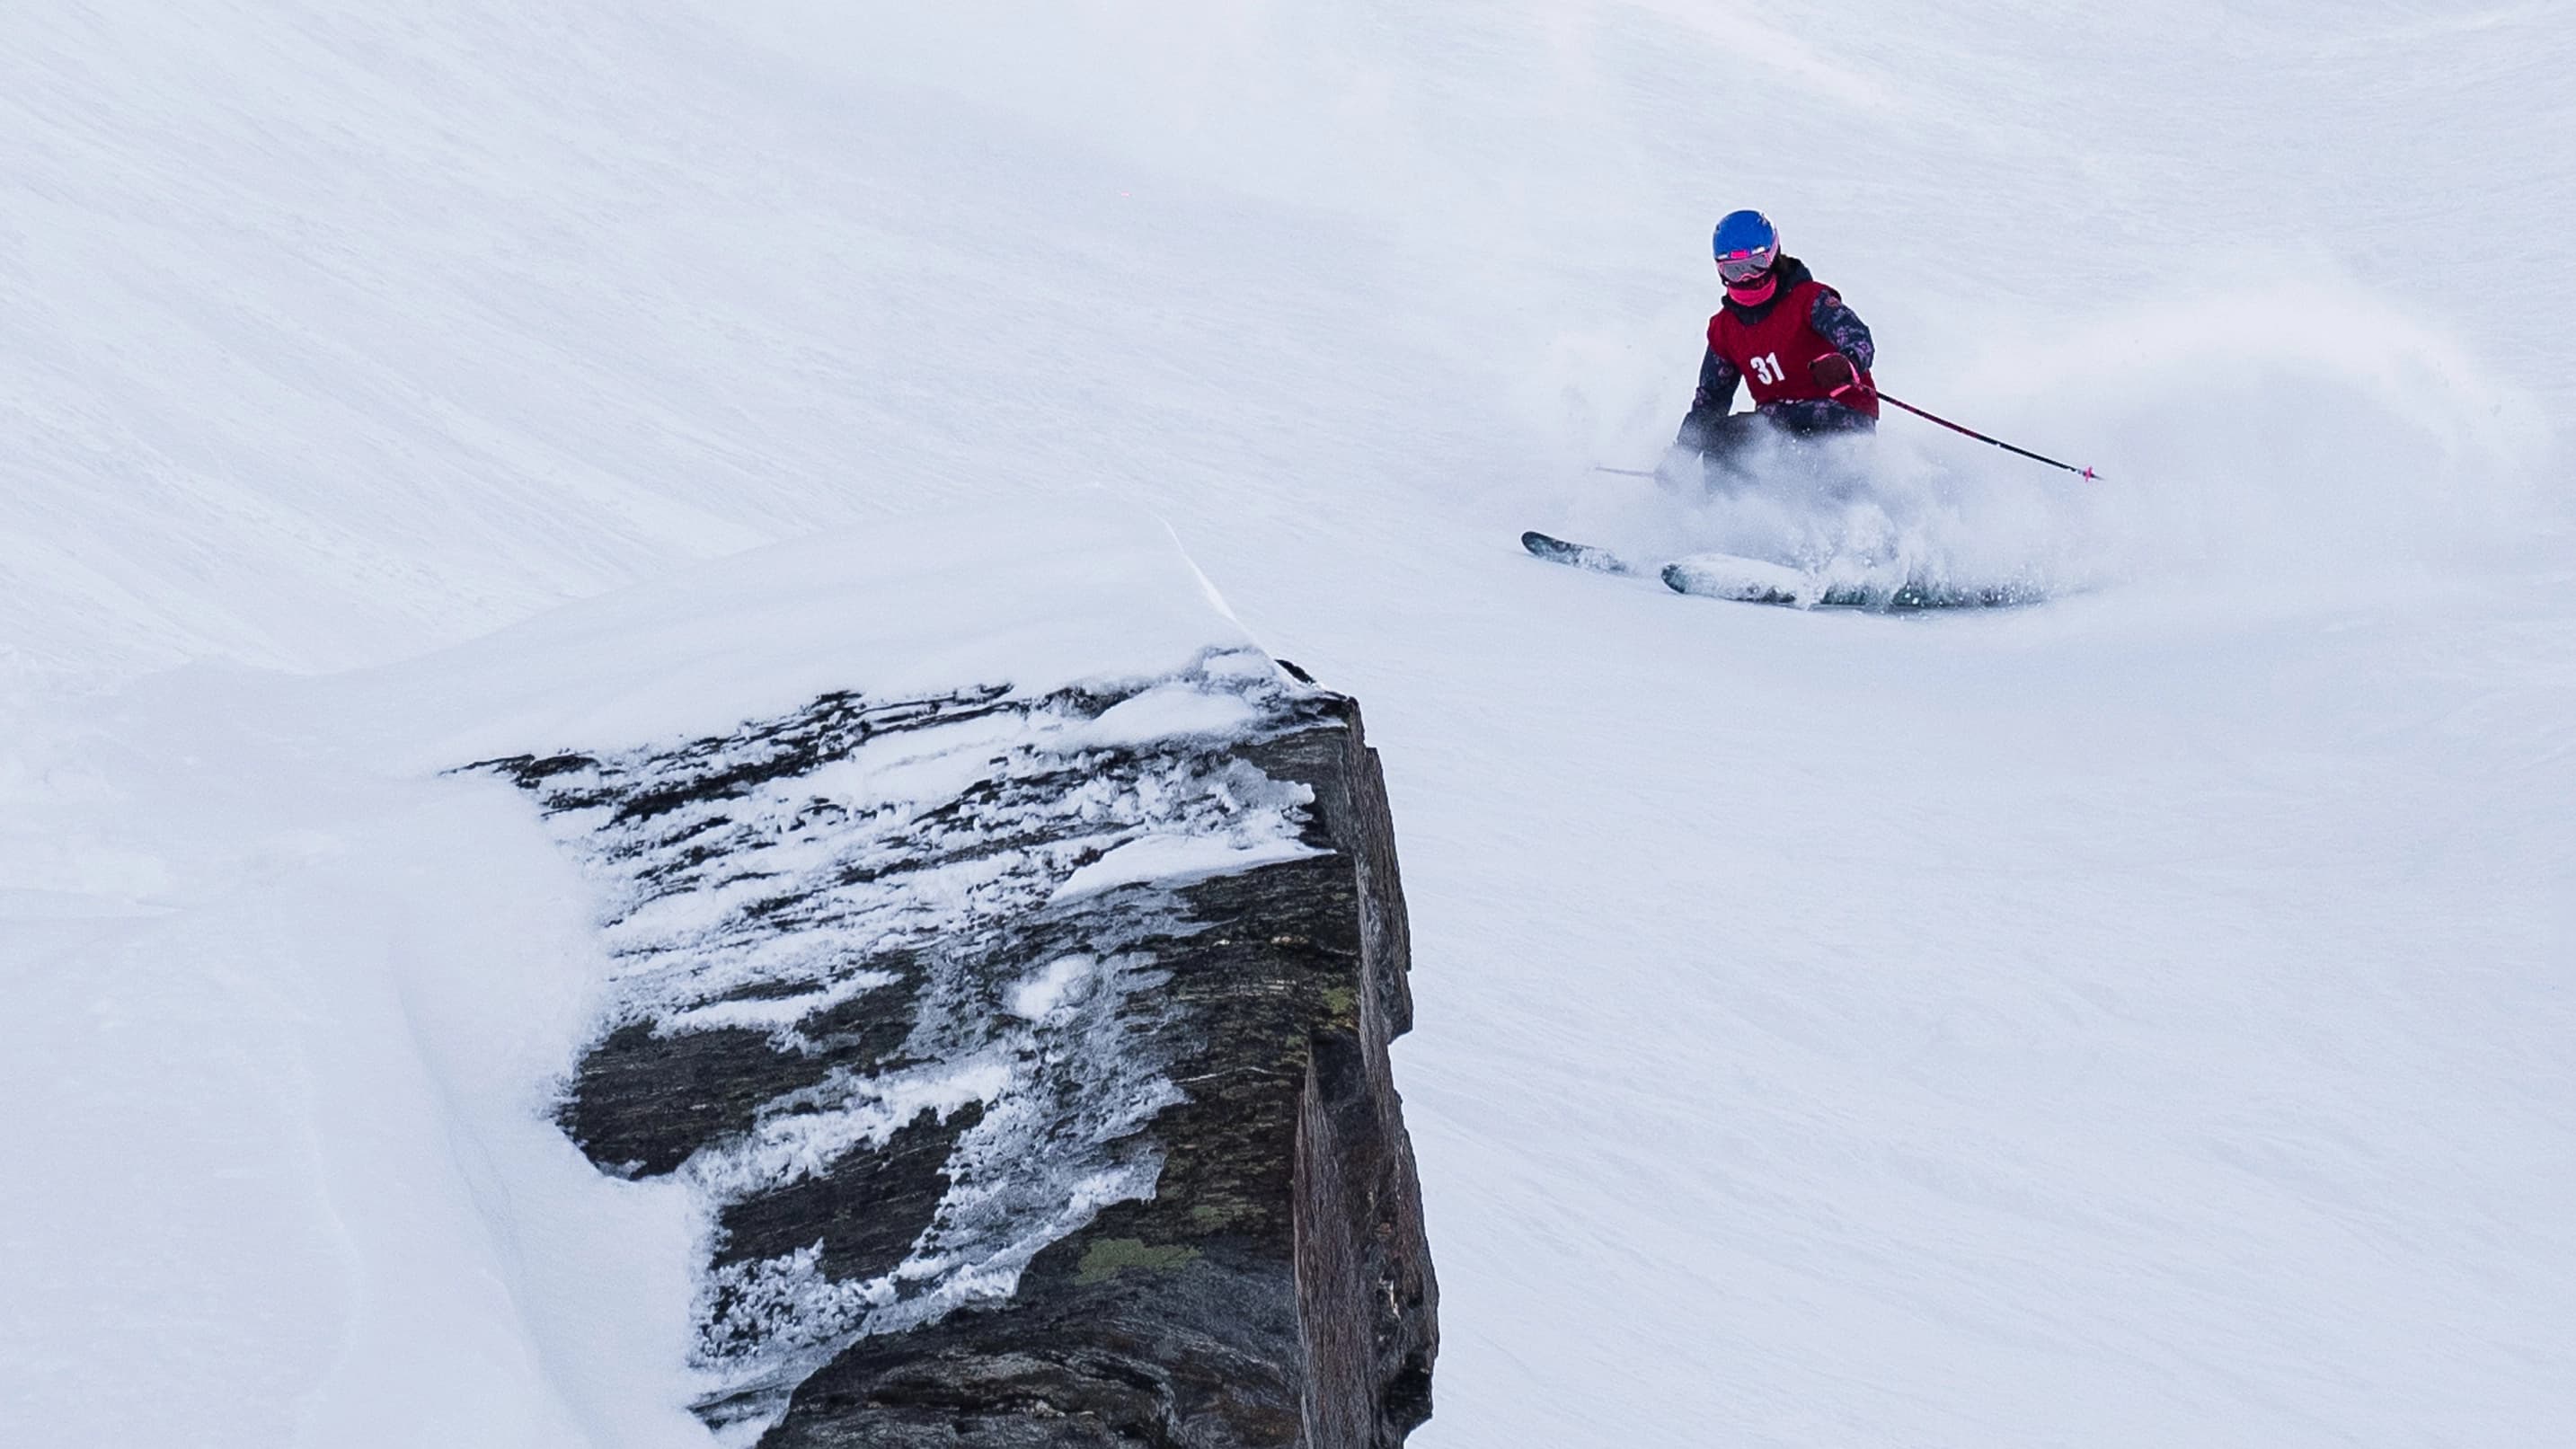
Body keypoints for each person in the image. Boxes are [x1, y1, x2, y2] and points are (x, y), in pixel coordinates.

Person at [1669, 209, 1877, 480]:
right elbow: (1710, 401)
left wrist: (1845, 363)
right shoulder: (1726, 329)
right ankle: (1730, 514)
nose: (1747, 278)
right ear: (1720, 271)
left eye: (1756, 265)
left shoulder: (1809, 300)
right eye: (1734, 270)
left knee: (1804, 452)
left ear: (1773, 257)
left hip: (1837, 412)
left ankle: (1850, 507)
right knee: (1722, 437)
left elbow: (1857, 337)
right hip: (1779, 423)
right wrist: (1681, 456)